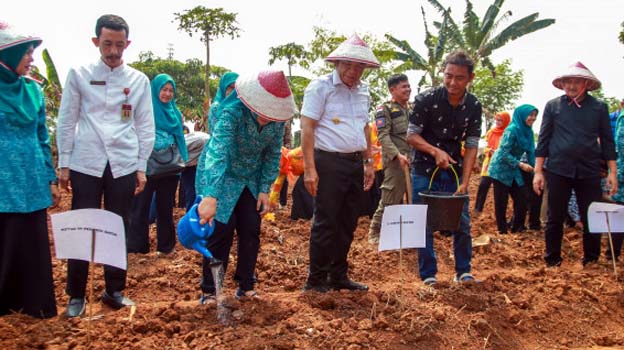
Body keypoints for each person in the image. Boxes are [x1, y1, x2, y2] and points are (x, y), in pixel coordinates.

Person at [56, 14, 155, 317]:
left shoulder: (139, 81)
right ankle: (76, 294)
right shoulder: (79, 73)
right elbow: (67, 119)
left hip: (122, 164)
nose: (113, 51)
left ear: (128, 44)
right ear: (96, 42)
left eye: (120, 45)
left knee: (118, 227)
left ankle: (114, 290)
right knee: (82, 225)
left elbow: (145, 126)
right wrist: (64, 162)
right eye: (108, 44)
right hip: (86, 162)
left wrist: (141, 167)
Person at [195, 70, 297, 301]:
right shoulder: (231, 113)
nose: (266, 118)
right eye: (262, 112)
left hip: (251, 179)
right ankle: (211, 290)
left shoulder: (277, 121)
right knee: (220, 231)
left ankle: (246, 284)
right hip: (222, 176)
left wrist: (264, 188)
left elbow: (272, 155)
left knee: (251, 229)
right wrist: (210, 195)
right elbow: (218, 151)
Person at [300, 34, 379, 293]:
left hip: (355, 163)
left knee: (348, 221)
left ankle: (338, 275)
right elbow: (307, 128)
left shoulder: (364, 90)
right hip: (328, 163)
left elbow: (364, 127)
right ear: (338, 63)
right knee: (326, 221)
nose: (353, 72)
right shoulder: (320, 87)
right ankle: (316, 280)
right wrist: (310, 169)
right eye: (349, 65)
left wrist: (368, 161)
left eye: (359, 67)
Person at [407, 50, 482, 286]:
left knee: (462, 221)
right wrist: (434, 151)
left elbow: (471, 146)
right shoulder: (426, 99)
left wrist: (464, 181)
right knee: (423, 222)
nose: (452, 82)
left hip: (453, 172)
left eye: (459, 77)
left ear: (470, 78)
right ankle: (428, 275)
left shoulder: (473, 105)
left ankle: (463, 271)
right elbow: (411, 136)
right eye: (448, 76)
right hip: (423, 170)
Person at [533, 62, 617, 267]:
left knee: (591, 216)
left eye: (576, 81)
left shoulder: (599, 108)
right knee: (555, 216)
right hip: (559, 169)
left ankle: (591, 259)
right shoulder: (553, 106)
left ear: (586, 84)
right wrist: (538, 171)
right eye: (567, 81)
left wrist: (612, 172)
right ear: (562, 84)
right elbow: (543, 139)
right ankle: (552, 260)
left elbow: (607, 141)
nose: (571, 85)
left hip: (589, 170)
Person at [0, 22, 58, 319]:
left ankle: (35, 304)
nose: (32, 58)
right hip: (2, 176)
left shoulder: (34, 91)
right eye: (26, 53)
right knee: (5, 236)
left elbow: (41, 136)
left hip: (32, 174)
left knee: (32, 237)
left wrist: (50, 176)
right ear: (8, 55)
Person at [128, 74, 187, 255]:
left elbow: (180, 138)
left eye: (171, 90)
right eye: (164, 89)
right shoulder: (147, 109)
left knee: (165, 207)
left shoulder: (175, 112)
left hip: (169, 168)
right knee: (141, 206)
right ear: (155, 90)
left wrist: (183, 158)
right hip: (146, 166)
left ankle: (166, 247)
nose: (167, 94)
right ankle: (137, 248)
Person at [368, 74, 412, 244]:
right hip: (395, 162)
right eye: (404, 87)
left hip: (413, 160)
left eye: (408, 86)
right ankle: (375, 231)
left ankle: (404, 234)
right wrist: (396, 154)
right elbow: (383, 135)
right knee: (390, 197)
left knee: (413, 198)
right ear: (392, 90)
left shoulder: (412, 110)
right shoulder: (384, 109)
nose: (408, 89)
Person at [487, 104, 538, 234]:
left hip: (513, 168)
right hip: (500, 168)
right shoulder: (512, 130)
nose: (532, 118)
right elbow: (503, 153)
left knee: (522, 198)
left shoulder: (528, 131)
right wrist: (521, 165)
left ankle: (517, 226)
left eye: (534, 115)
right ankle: (502, 230)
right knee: (501, 201)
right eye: (530, 115)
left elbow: (531, 151)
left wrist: (536, 170)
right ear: (521, 115)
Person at [473, 111, 510, 216]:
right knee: (483, 185)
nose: (498, 122)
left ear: (506, 121)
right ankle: (477, 209)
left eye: (500, 120)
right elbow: (485, 145)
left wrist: (498, 153)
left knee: (501, 191)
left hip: (502, 165)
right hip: (489, 164)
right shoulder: (491, 132)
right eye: (497, 120)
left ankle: (500, 214)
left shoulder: (508, 133)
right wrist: (489, 150)